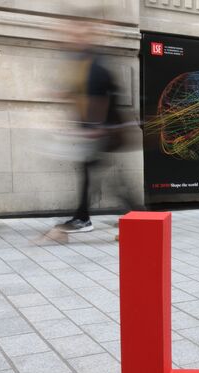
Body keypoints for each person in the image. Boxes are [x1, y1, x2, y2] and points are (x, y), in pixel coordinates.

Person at [55, 20, 136, 234]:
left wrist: (96, 126)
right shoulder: (83, 63)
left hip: (102, 132)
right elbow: (82, 95)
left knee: (93, 172)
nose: (73, 39)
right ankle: (137, 214)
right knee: (101, 175)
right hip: (97, 131)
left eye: (77, 35)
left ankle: (85, 218)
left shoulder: (96, 64)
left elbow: (103, 99)